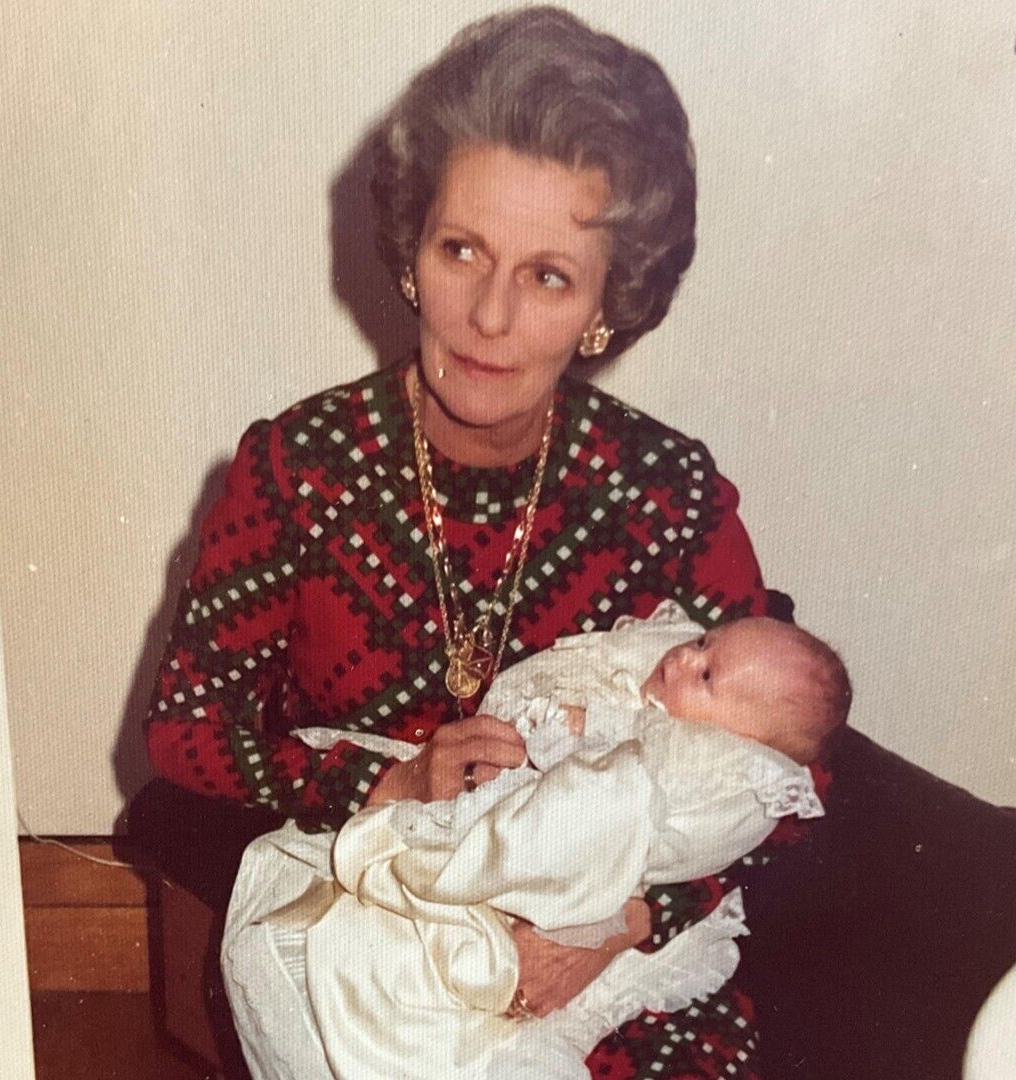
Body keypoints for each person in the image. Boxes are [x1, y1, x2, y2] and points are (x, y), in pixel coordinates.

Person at [145, 8, 809, 1077]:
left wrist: (626, 926)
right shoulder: (300, 470)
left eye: (549, 276)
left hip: (603, 951)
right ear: (413, 253)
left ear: (607, 305)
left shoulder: (667, 492)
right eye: (463, 251)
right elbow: (185, 729)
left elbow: (786, 782)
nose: (489, 317)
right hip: (374, 933)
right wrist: (378, 788)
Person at [229, 601, 845, 1080]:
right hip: (456, 831)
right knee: (352, 970)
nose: (683, 657)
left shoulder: (720, 775)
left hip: (596, 910)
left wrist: (630, 922)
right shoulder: (665, 666)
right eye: (703, 642)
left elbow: (743, 825)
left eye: (706, 673)